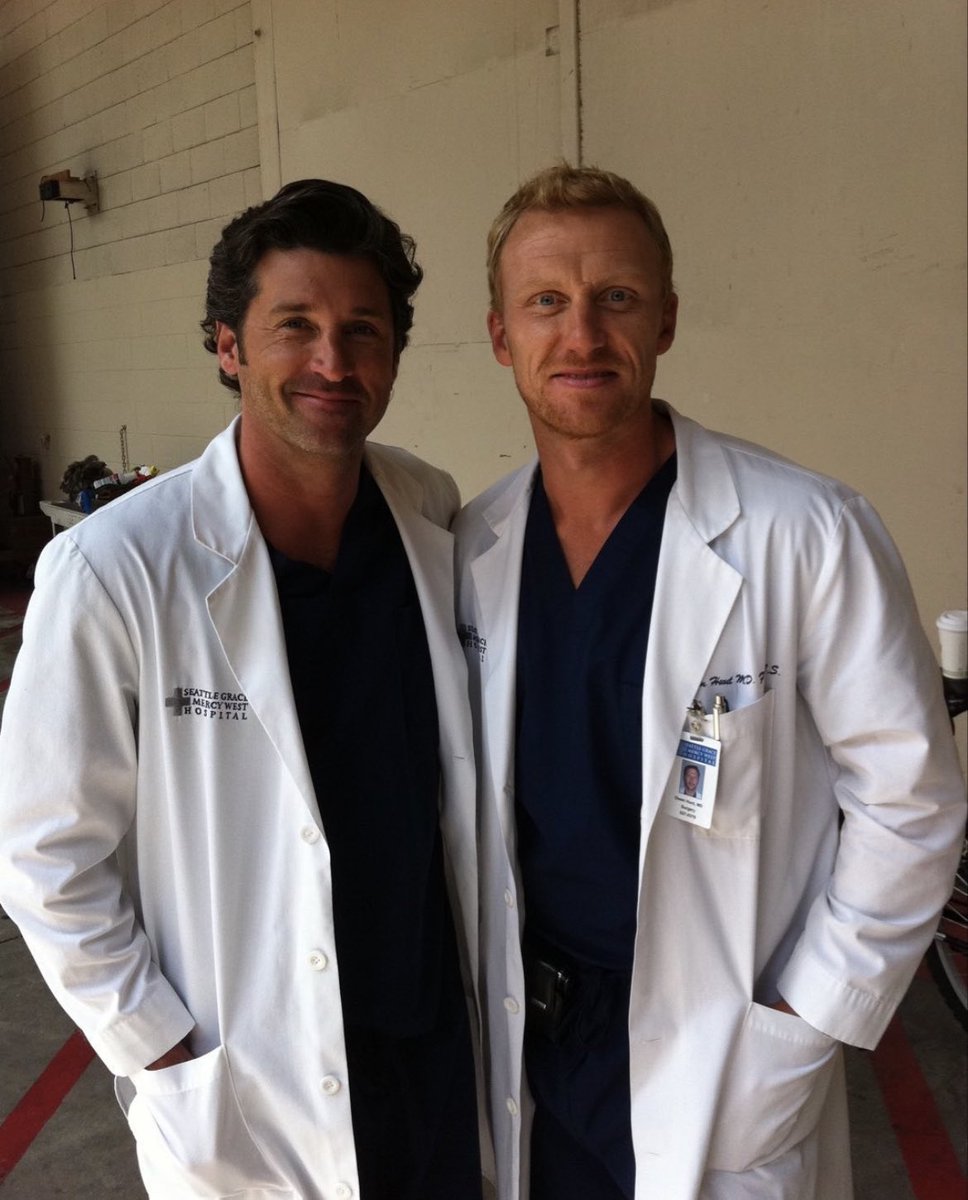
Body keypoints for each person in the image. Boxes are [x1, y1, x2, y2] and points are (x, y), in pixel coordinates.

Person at [454, 163, 965, 1200]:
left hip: (724, 1047)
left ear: (668, 319)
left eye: (616, 297)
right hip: (529, 1041)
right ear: (501, 335)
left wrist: (808, 1015)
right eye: (546, 302)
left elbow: (909, 799)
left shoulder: (805, 531)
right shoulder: (472, 545)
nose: (582, 334)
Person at [0, 180, 486, 1200]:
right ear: (228, 346)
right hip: (250, 1082)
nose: (332, 362)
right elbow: (42, 855)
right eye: (294, 326)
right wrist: (158, 1046)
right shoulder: (116, 568)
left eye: (362, 329)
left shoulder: (427, 509)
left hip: (429, 1050)